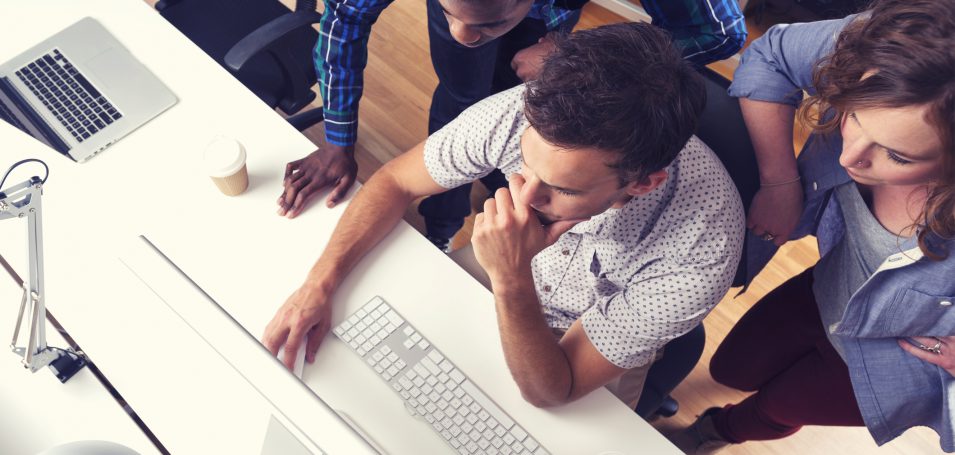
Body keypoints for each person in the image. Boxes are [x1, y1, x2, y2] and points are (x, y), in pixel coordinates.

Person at [262, 22, 744, 409]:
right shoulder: (524, 113)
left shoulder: (702, 251)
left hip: (585, 331)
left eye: (561, 188)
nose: (523, 196)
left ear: (643, 183)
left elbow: (556, 388)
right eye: (523, 164)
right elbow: (396, 182)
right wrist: (317, 286)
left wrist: (512, 277)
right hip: (501, 267)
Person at [668, 0, 955, 453]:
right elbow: (773, 54)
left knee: (775, 409)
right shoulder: (914, 46)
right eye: (852, 115)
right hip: (822, 290)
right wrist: (781, 182)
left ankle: (717, 432)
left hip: (888, 363)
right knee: (730, 369)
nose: (848, 157)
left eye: (898, 155)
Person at [277, 0, 747, 253]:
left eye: (485, 22)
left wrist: (576, 55)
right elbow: (345, 18)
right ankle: (442, 227)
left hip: (558, 34)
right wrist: (338, 137)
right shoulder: (466, 21)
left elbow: (720, 33)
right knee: (461, 102)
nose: (461, 36)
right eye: (446, 12)